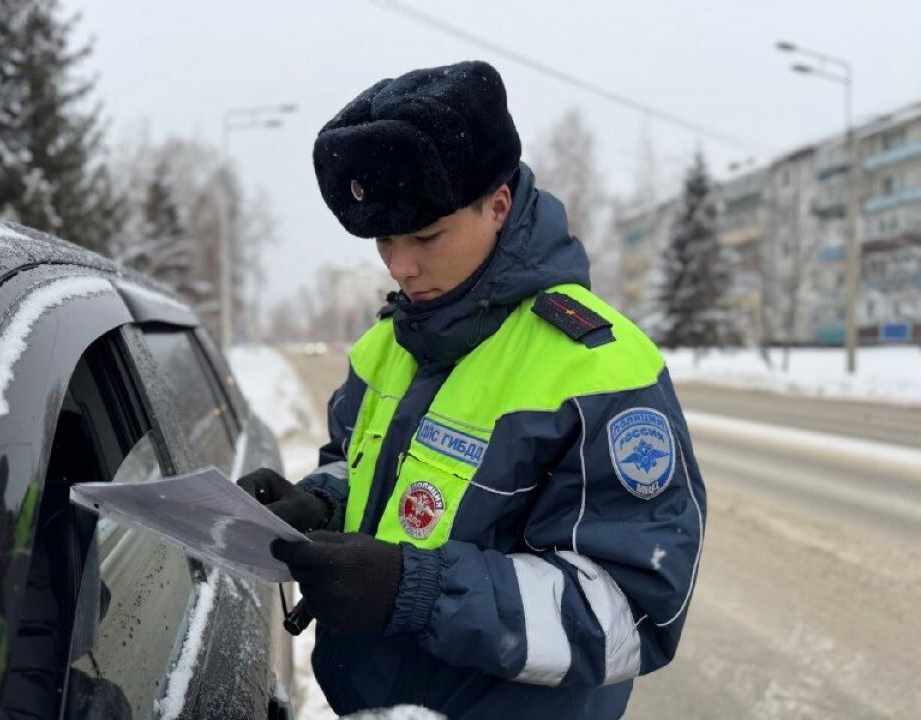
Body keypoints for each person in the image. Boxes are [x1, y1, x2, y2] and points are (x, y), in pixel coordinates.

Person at [238, 60, 707, 720]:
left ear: (498, 204)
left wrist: (417, 591)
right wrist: (321, 502)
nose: (402, 266)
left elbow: (632, 612)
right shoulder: (387, 345)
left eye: (427, 236)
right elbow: (369, 469)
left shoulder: (598, 368)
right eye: (384, 240)